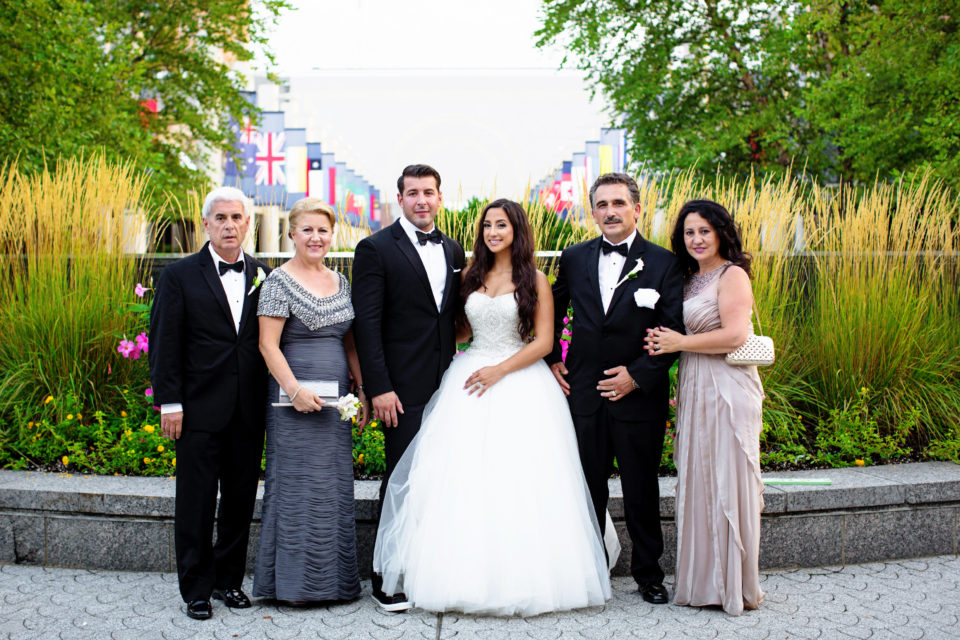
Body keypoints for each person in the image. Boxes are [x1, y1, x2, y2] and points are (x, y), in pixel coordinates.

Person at [373, 199, 611, 616]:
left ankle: (525, 578)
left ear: (517, 229)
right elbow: (462, 327)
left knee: (520, 479)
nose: (493, 232)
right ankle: (458, 574)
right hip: (468, 381)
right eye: (487, 225)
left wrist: (499, 370)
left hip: (520, 382)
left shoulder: (535, 279)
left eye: (501, 225)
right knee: (462, 477)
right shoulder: (470, 274)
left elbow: (543, 342)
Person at [548, 173, 684, 605]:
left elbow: (675, 330)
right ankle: (588, 571)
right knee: (587, 486)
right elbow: (551, 309)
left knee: (641, 487)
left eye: (619, 204)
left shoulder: (664, 263)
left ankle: (649, 574)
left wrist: (638, 375)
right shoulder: (573, 257)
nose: (610, 212)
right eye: (602, 204)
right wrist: (552, 357)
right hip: (584, 393)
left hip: (639, 396)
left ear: (637, 209)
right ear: (593, 211)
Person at [149, 186, 270, 620]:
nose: (229, 225)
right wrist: (169, 403)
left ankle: (227, 581)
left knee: (239, 500)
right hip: (197, 409)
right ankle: (196, 589)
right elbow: (164, 343)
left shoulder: (263, 274)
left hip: (248, 409)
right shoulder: (180, 276)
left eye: (237, 218)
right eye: (220, 218)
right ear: (205, 224)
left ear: (247, 224)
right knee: (196, 502)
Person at [352, 164, 466, 611]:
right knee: (401, 479)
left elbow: (451, 317)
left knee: (440, 479)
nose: (422, 200)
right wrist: (378, 387)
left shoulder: (454, 249)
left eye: (429, 192)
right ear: (399, 199)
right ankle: (386, 578)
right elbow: (367, 324)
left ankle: (426, 570)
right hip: (400, 389)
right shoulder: (375, 248)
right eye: (413, 193)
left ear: (440, 198)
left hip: (450, 383)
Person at [644, 199, 765, 616]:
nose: (696, 239)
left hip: (728, 388)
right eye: (689, 232)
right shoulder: (689, 279)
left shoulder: (732, 275)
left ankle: (733, 586)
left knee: (726, 480)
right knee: (699, 479)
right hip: (696, 385)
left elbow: (734, 335)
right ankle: (703, 584)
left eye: (704, 231)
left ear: (721, 234)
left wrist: (679, 343)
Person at [252, 197, 368, 604]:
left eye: (322, 230)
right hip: (291, 400)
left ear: (331, 234)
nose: (315, 237)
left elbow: (350, 341)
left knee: (332, 485)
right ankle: (291, 585)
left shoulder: (342, 280)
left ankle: (335, 584)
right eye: (307, 230)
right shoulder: (277, 282)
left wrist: (361, 389)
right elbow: (267, 345)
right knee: (296, 485)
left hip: (336, 402)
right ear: (292, 234)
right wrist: (296, 390)